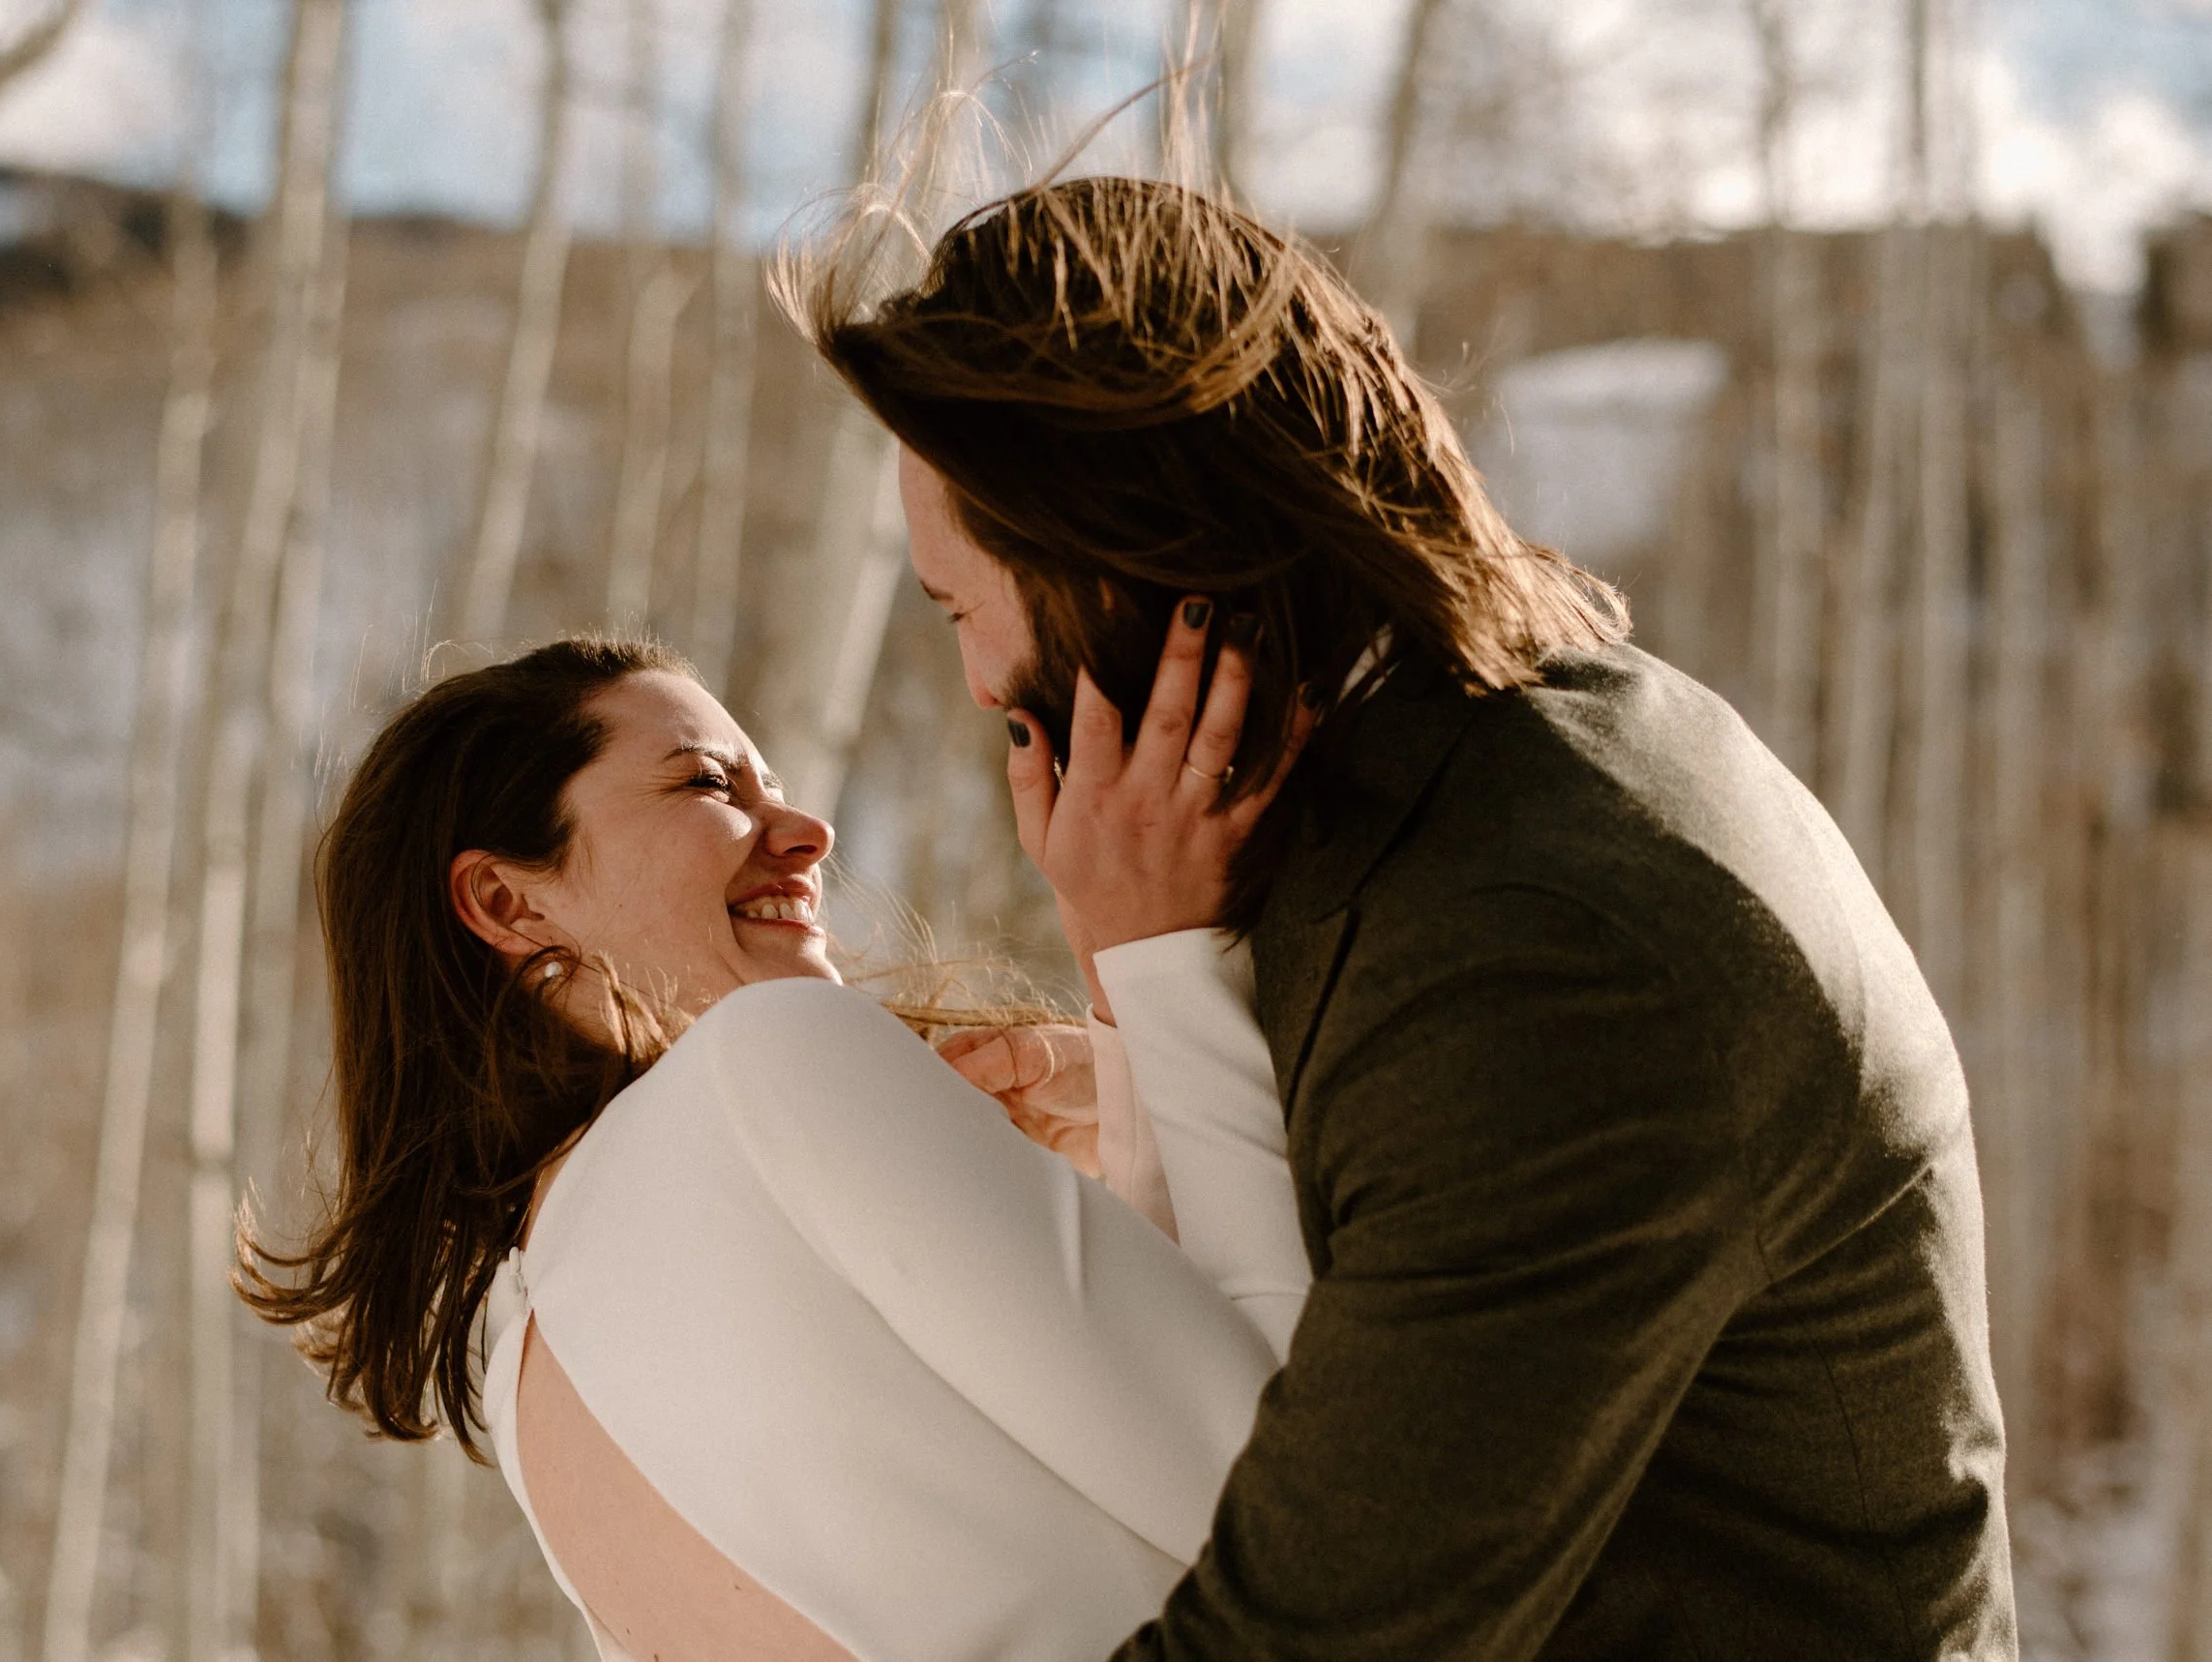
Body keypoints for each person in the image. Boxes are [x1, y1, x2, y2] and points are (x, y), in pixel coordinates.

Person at [787, 173, 2018, 1658]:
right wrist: (1149, 1004)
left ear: (1111, 561)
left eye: (958, 606)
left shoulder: (1542, 949)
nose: (980, 684)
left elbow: (1302, 1633)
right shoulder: (1473, 778)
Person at [240, 634, 1316, 1661]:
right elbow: (1304, 1496)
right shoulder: (764, 1062)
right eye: (711, 784)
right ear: (506, 899)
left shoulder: (531, 1361)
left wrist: (1137, 1096)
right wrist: (1168, 966)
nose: (808, 829)